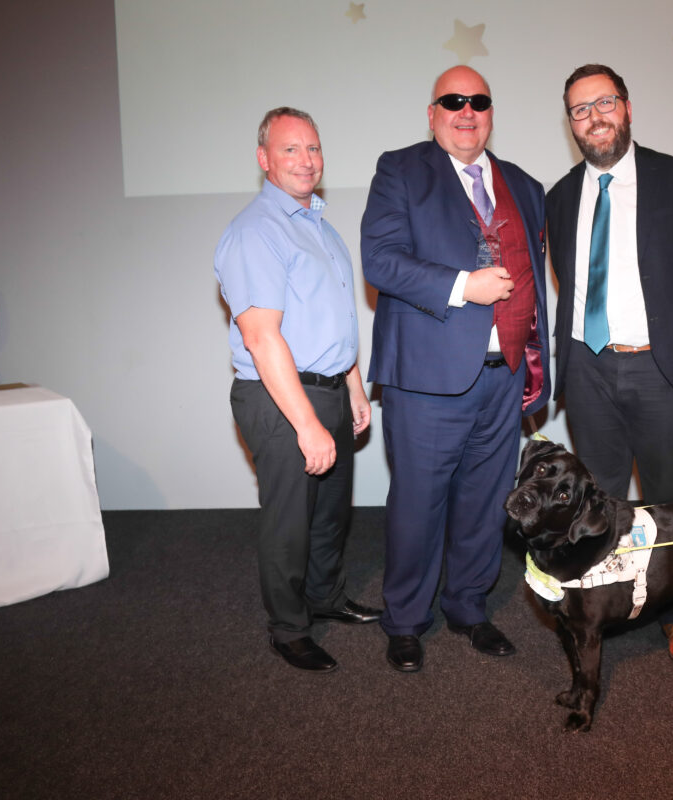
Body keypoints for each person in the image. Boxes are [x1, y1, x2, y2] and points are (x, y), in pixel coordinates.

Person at [361, 66, 550, 673]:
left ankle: (468, 607)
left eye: (478, 101)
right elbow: (381, 261)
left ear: (491, 112)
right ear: (432, 111)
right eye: (453, 101)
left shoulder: (523, 183)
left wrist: (534, 361)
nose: (466, 111)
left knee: (486, 500)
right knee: (418, 503)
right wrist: (462, 286)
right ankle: (407, 620)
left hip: (503, 375)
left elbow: (534, 283)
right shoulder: (400, 170)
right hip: (427, 378)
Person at [545, 64, 673, 665]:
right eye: (579, 109)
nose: (593, 117)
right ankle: (602, 610)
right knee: (595, 504)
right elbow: (569, 282)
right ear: (571, 123)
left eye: (604, 103)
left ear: (626, 107)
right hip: (588, 371)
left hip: (660, 368)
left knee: (668, 499)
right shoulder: (561, 196)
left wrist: (665, 324)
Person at [214, 107, 380, 673]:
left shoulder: (320, 226)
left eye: (312, 149)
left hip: (330, 388)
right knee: (289, 522)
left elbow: (336, 320)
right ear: (264, 159)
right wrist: (307, 423)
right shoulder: (256, 231)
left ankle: (324, 598)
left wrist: (353, 387)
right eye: (290, 149)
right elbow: (262, 338)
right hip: (280, 398)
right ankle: (288, 628)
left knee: (330, 513)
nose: (305, 160)